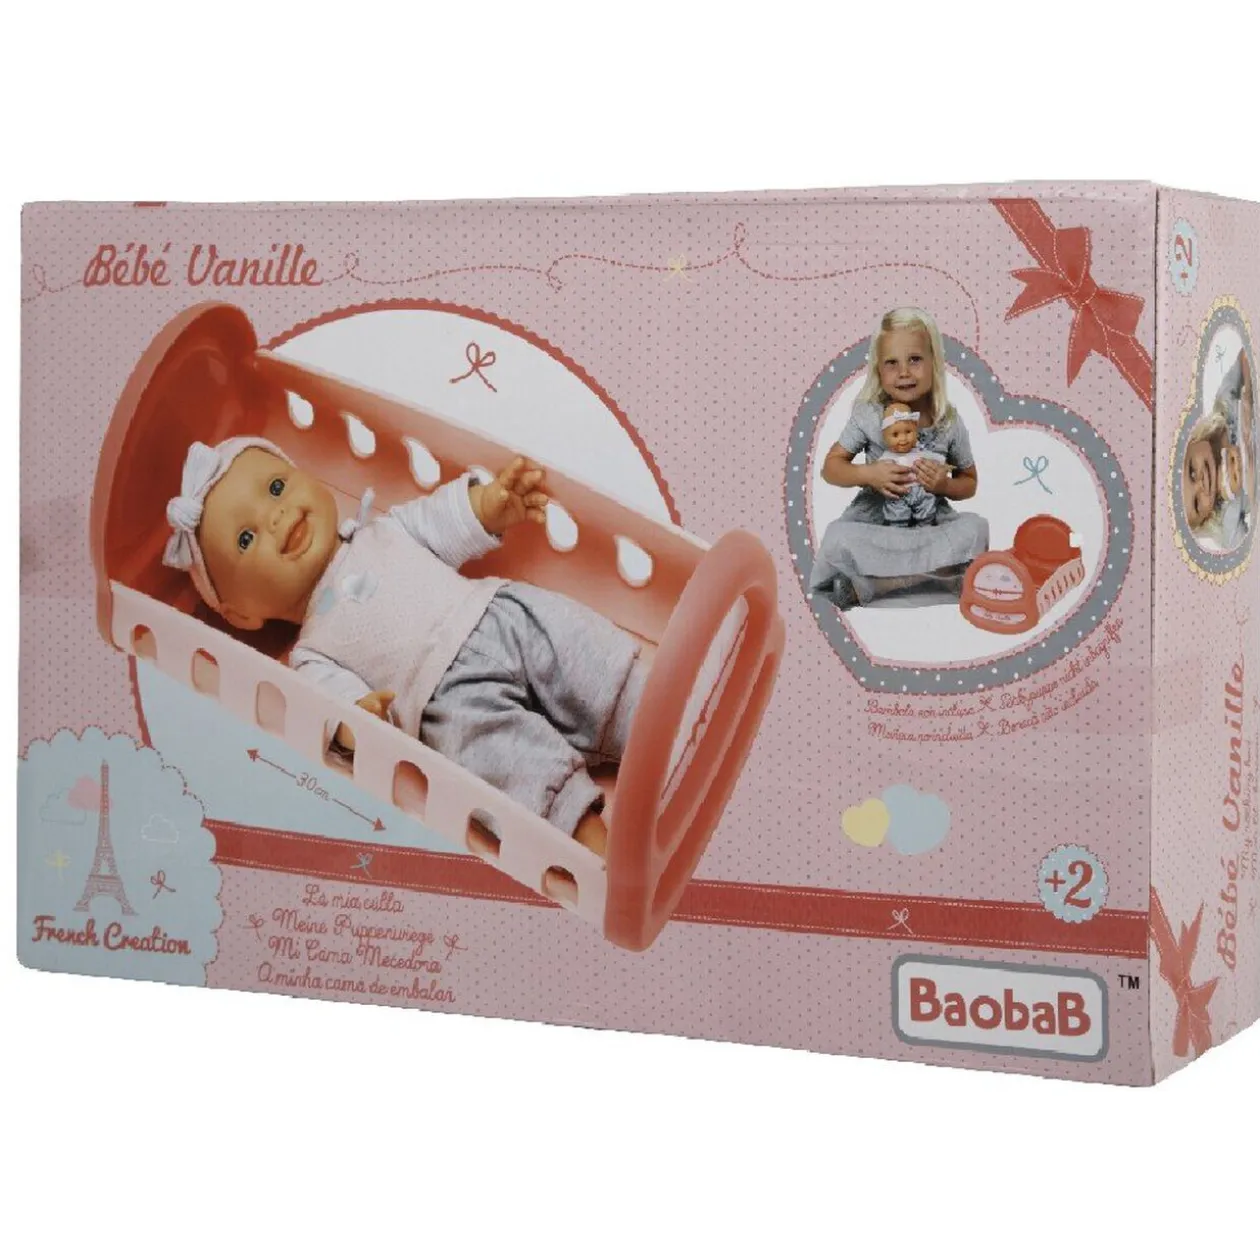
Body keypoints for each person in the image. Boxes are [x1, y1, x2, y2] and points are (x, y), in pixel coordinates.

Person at [162, 437, 647, 879]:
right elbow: (332, 713)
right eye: (245, 539)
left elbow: (443, 521)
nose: (275, 516)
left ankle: (651, 723)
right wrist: (358, 723)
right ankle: (593, 853)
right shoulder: (310, 654)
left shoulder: (386, 530)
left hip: (500, 615)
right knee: (506, 767)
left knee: (576, 647)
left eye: (275, 487)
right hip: (449, 704)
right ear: (242, 614)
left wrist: (490, 504)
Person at [809, 307, 988, 609]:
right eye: (892, 363)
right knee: (838, 535)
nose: (904, 372)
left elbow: (969, 481)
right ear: (878, 369)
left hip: (929, 524)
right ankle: (939, 577)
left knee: (976, 528)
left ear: (934, 362)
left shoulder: (947, 422)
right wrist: (868, 474)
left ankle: (874, 585)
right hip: (880, 526)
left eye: (915, 359)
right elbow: (831, 467)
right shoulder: (869, 415)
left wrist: (944, 485)